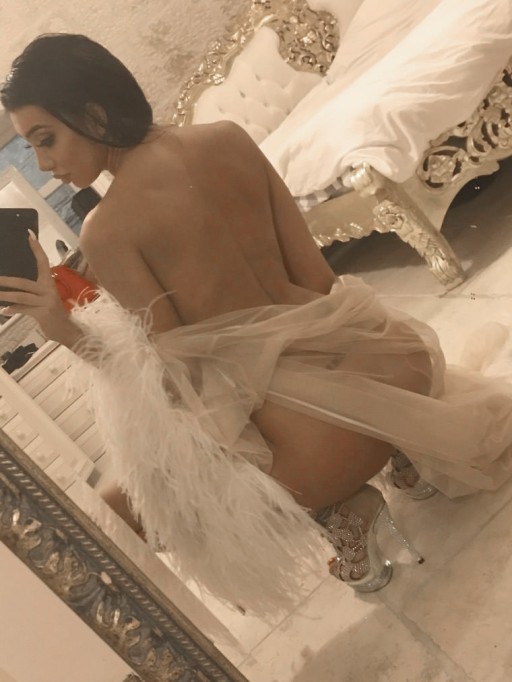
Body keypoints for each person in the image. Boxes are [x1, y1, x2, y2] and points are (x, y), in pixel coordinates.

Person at [1, 33, 512, 614]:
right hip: (396, 367)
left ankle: (342, 509)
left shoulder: (107, 230)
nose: (44, 164)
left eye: (46, 139)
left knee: (131, 498)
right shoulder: (227, 137)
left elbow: (177, 384)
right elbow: (318, 278)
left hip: (322, 453)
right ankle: (403, 451)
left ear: (93, 114)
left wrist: (59, 324)